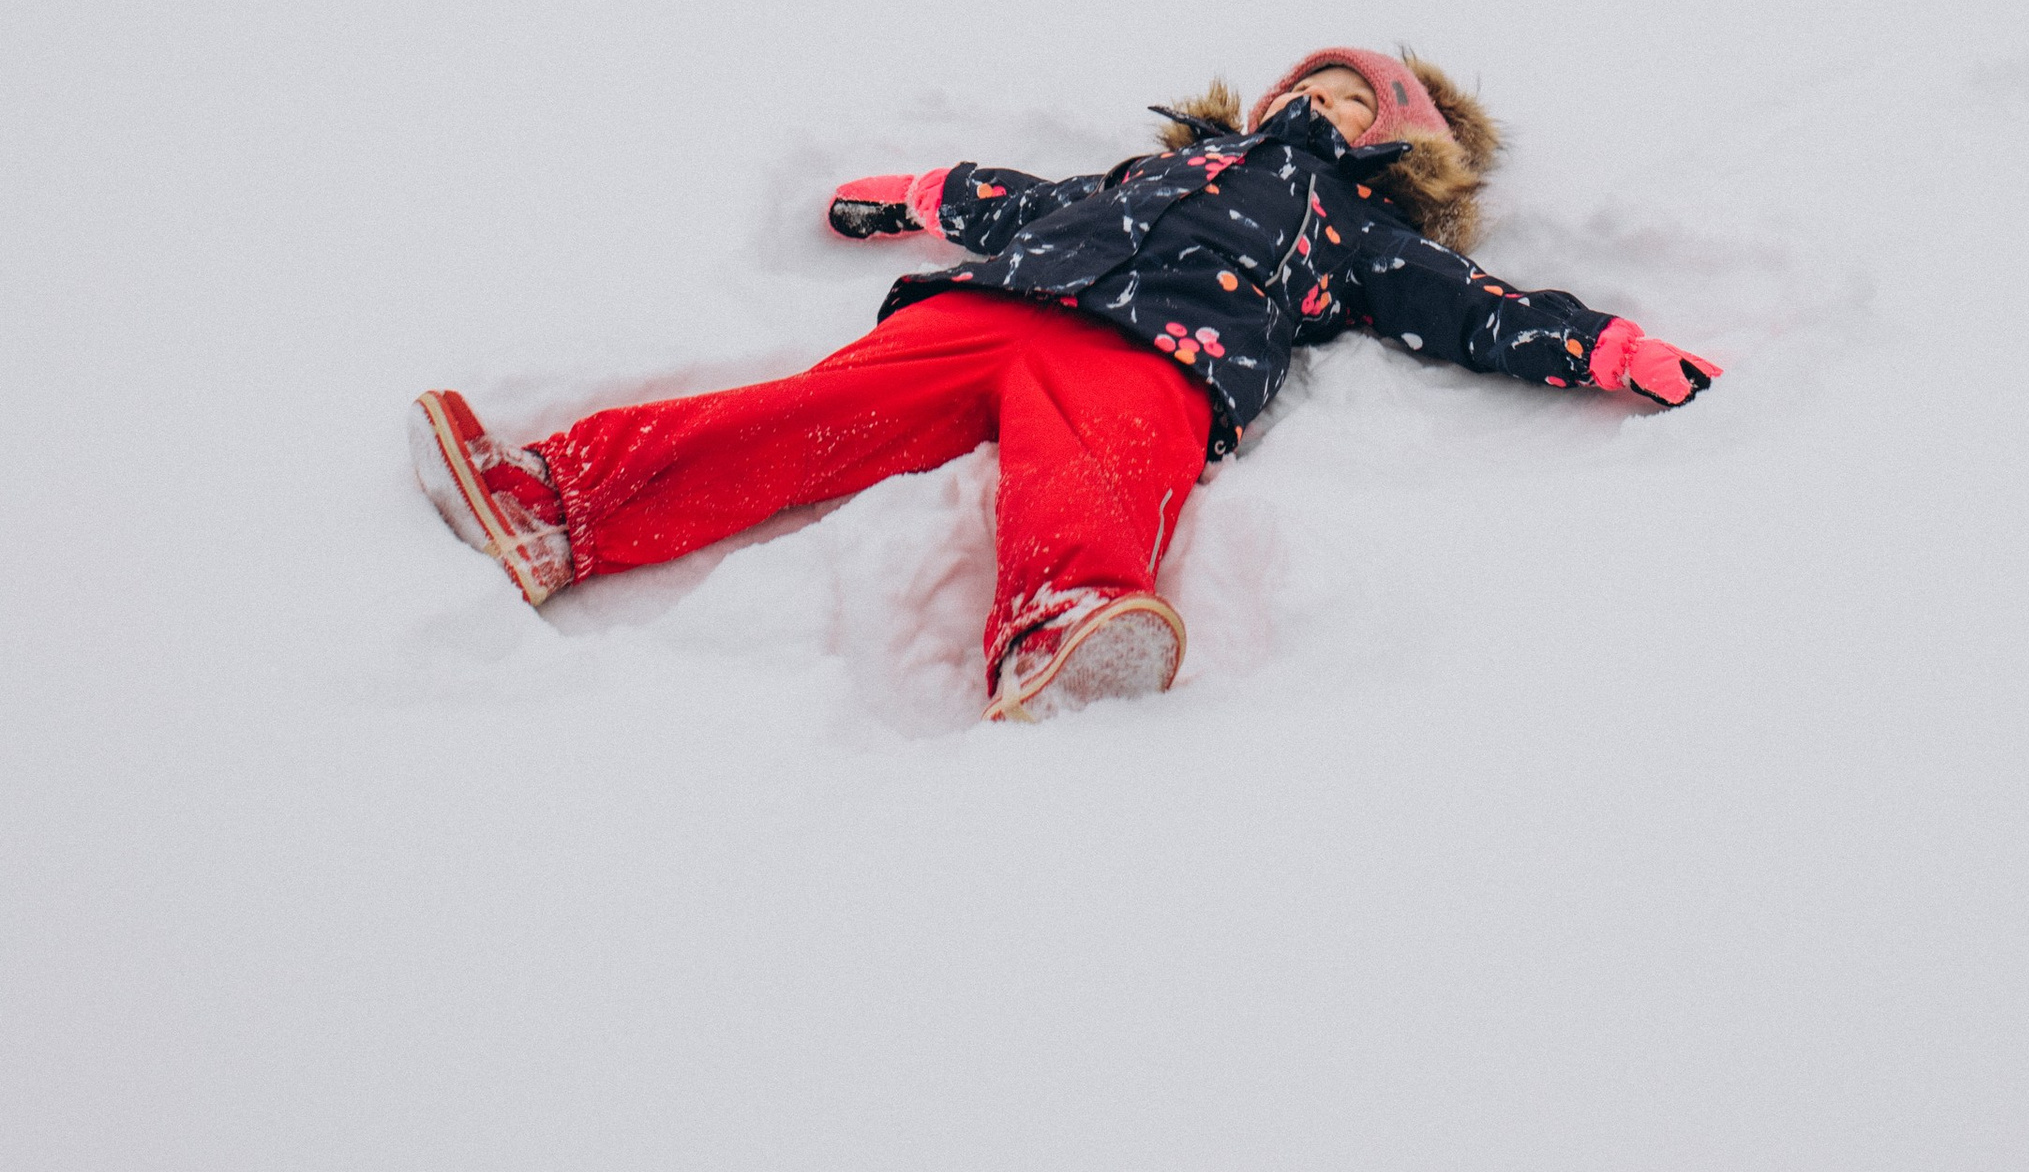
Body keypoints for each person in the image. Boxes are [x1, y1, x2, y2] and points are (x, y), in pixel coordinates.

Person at [408, 45, 1719, 722]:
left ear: (1401, 144)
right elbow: (1019, 198)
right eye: (1306, 81)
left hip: (1165, 353)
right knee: (811, 417)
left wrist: (1602, 348)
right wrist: (917, 197)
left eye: (1351, 96)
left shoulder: (1351, 226)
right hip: (989, 309)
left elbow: (1469, 309)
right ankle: (559, 501)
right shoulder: (1147, 174)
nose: (1315, 99)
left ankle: (1065, 613)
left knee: (1097, 463)